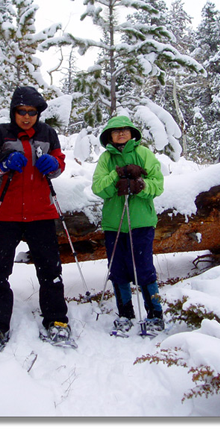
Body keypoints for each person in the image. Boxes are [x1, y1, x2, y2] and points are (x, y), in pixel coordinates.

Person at [0, 86, 71, 354]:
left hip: (41, 213)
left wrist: (54, 165)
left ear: (38, 114)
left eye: (32, 112)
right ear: (13, 112)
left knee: (50, 271)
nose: (27, 117)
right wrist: (2, 165)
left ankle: (57, 320)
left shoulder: (48, 134)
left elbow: (60, 163)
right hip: (6, 213)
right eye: (22, 112)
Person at [91, 115, 165, 336]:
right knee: (118, 271)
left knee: (144, 269)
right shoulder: (106, 159)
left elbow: (158, 185)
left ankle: (155, 313)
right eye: (116, 131)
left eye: (125, 130)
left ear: (132, 134)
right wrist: (117, 176)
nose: (121, 134)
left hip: (141, 223)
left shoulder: (144, 154)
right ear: (109, 136)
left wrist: (139, 185)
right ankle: (125, 314)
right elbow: (98, 188)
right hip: (115, 225)